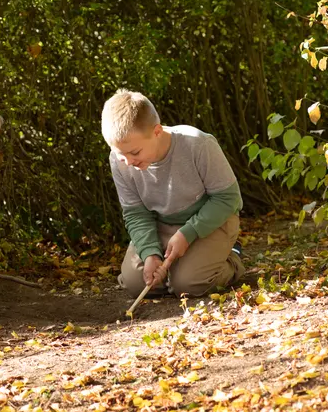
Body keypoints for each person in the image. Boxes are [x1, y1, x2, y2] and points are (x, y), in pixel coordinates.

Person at [101, 89, 244, 298]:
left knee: (187, 285)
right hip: (163, 226)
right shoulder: (120, 161)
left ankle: (232, 257)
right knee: (137, 283)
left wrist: (188, 233)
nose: (128, 162)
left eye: (135, 152)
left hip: (212, 221)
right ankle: (180, 268)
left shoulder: (198, 144)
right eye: (121, 154)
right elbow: (136, 213)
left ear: (157, 131)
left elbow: (228, 198)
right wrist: (149, 252)